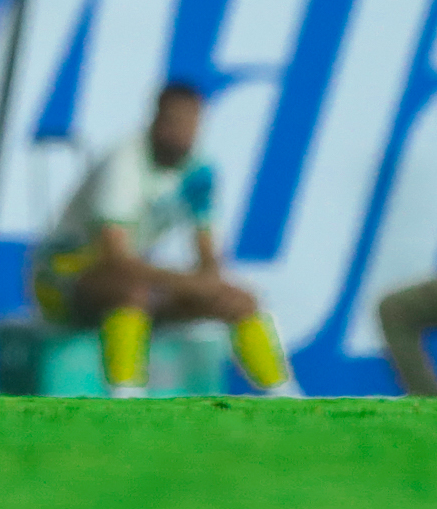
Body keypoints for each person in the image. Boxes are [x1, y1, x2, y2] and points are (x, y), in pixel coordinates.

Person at [35, 81, 297, 397]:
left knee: (239, 300)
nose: (183, 132)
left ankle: (286, 395)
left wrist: (214, 286)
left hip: (135, 274)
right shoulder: (126, 160)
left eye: (192, 123)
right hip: (62, 277)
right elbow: (115, 257)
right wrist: (194, 283)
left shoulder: (199, 170)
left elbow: (207, 251)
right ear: (156, 119)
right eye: (175, 121)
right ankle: (126, 395)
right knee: (132, 292)